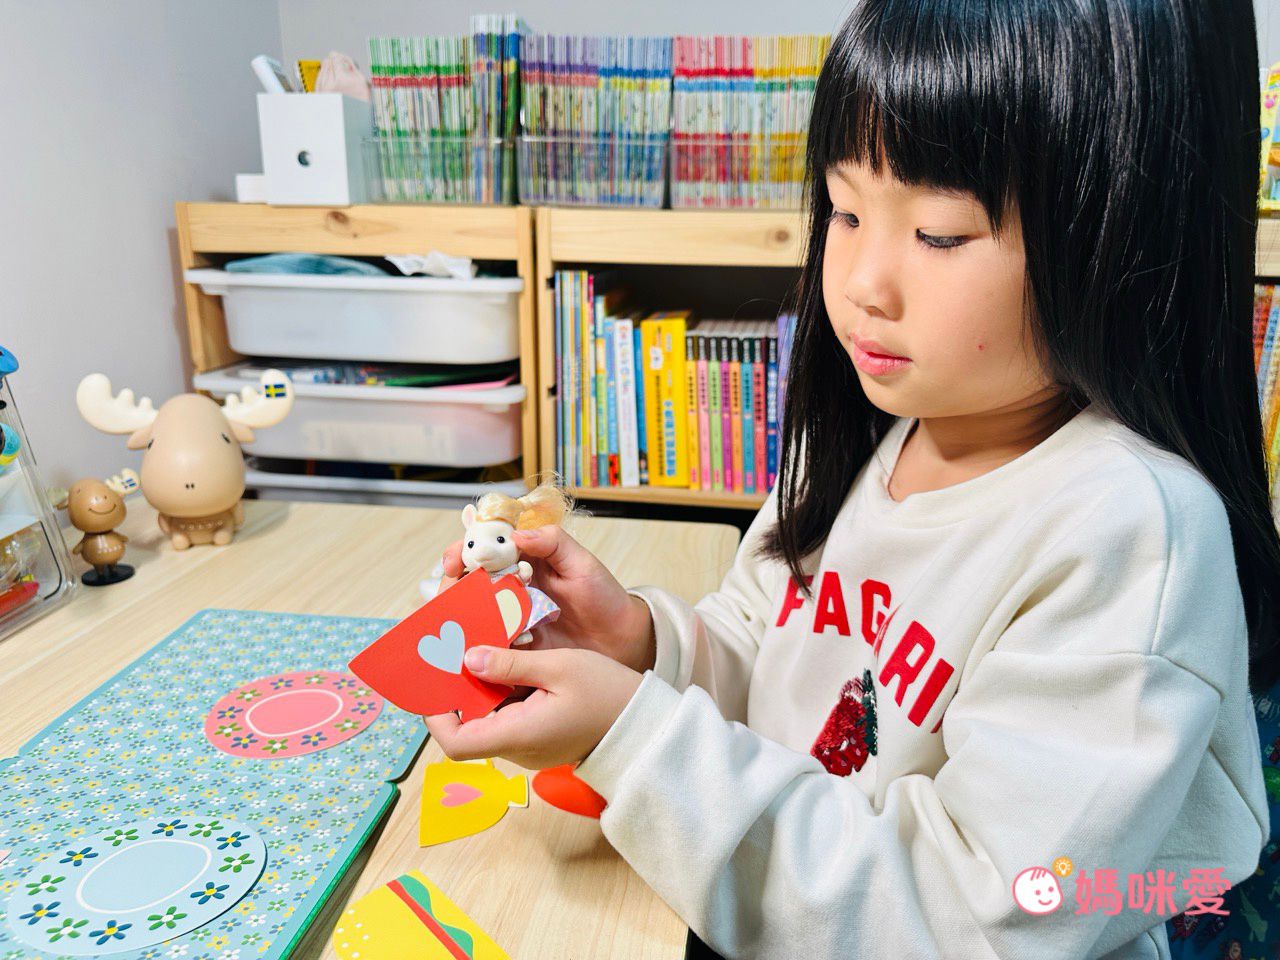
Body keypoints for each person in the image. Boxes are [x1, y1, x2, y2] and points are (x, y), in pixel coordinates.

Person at [428, 0, 1278, 955]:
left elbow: (975, 918)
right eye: (844, 210)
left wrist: (633, 740)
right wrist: (636, 643)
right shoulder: (881, 430)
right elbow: (767, 656)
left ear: (1125, 229)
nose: (863, 282)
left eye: (941, 233)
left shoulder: (1130, 533)